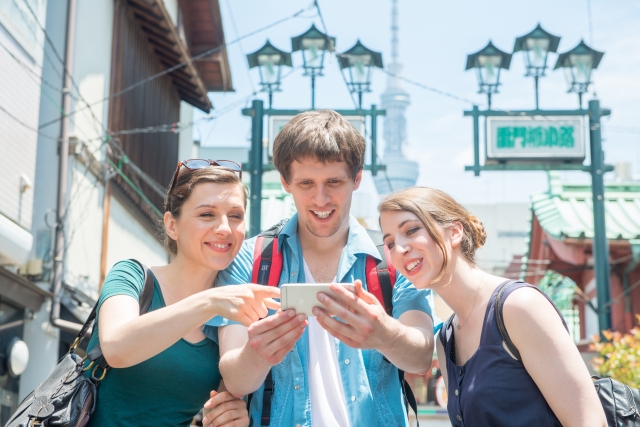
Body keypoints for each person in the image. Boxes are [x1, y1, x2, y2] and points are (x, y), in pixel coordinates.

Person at [203, 110, 437, 427]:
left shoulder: (395, 259)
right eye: (306, 183)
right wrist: (257, 353)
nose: (321, 198)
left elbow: (421, 356)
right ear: (286, 182)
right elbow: (235, 378)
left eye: (334, 182)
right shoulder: (249, 258)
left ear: (357, 178)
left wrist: (384, 334)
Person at [378, 186, 607, 427]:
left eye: (411, 230)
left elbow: (590, 422)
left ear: (455, 232)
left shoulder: (519, 307)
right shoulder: (445, 341)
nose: (400, 249)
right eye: (390, 243)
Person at [84, 162, 280, 427]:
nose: (224, 228)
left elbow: (219, 405)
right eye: (207, 214)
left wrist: (233, 418)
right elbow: (117, 348)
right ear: (172, 225)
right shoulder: (133, 276)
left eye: (235, 216)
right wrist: (209, 302)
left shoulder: (232, 315)